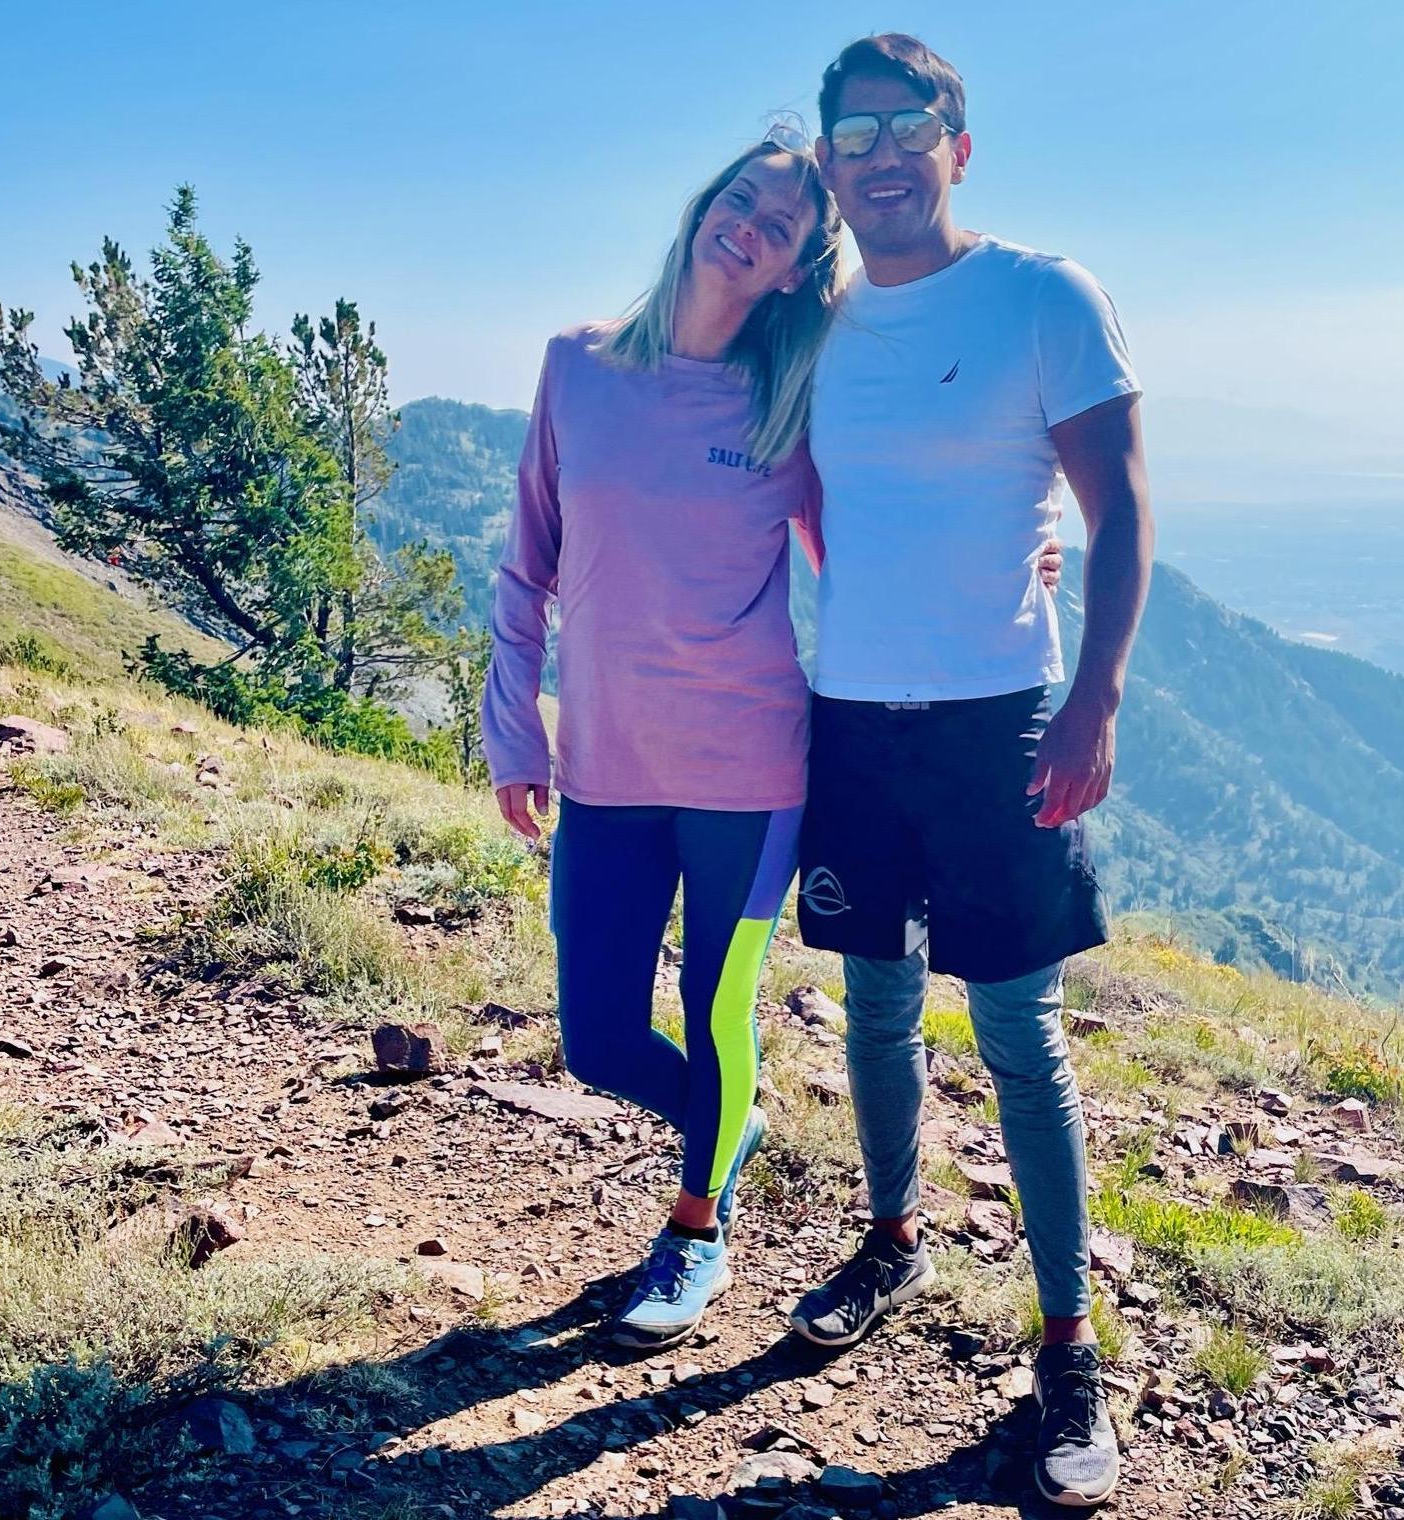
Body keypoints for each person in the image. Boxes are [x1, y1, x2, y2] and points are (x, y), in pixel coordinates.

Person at [481, 126, 1070, 1353]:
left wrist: (1019, 543)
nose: (747, 222)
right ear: (706, 202)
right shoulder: (573, 364)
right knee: (593, 1035)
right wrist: (512, 729)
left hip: (747, 766)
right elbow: (525, 562)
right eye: (740, 196)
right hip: (601, 764)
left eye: (782, 225)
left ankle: (695, 1227)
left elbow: (867, 542)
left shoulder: (786, 403)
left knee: (716, 1007)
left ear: (798, 268)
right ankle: (726, 1120)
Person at [786, 35, 1154, 1511]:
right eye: (854, 131)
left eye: (910, 124)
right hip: (850, 719)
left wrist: (1093, 702)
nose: (882, 151)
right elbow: (812, 497)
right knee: (872, 998)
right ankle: (892, 1237)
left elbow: (1120, 513)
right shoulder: (812, 320)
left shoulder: (1041, 298)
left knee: (1019, 1030)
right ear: (828, 163)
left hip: (1002, 717)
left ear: (959, 143)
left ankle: (1068, 1352)